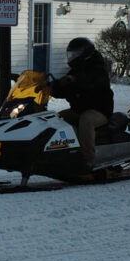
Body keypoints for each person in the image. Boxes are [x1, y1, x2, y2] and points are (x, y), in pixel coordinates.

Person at [52, 37, 114, 167]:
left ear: (84, 54)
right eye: (70, 54)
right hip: (79, 110)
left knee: (86, 121)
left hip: (99, 111)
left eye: (74, 54)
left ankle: (88, 160)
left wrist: (74, 80)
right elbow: (65, 87)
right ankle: (60, 154)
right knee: (56, 119)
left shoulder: (98, 69)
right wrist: (49, 87)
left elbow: (89, 82)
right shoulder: (77, 69)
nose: (72, 57)